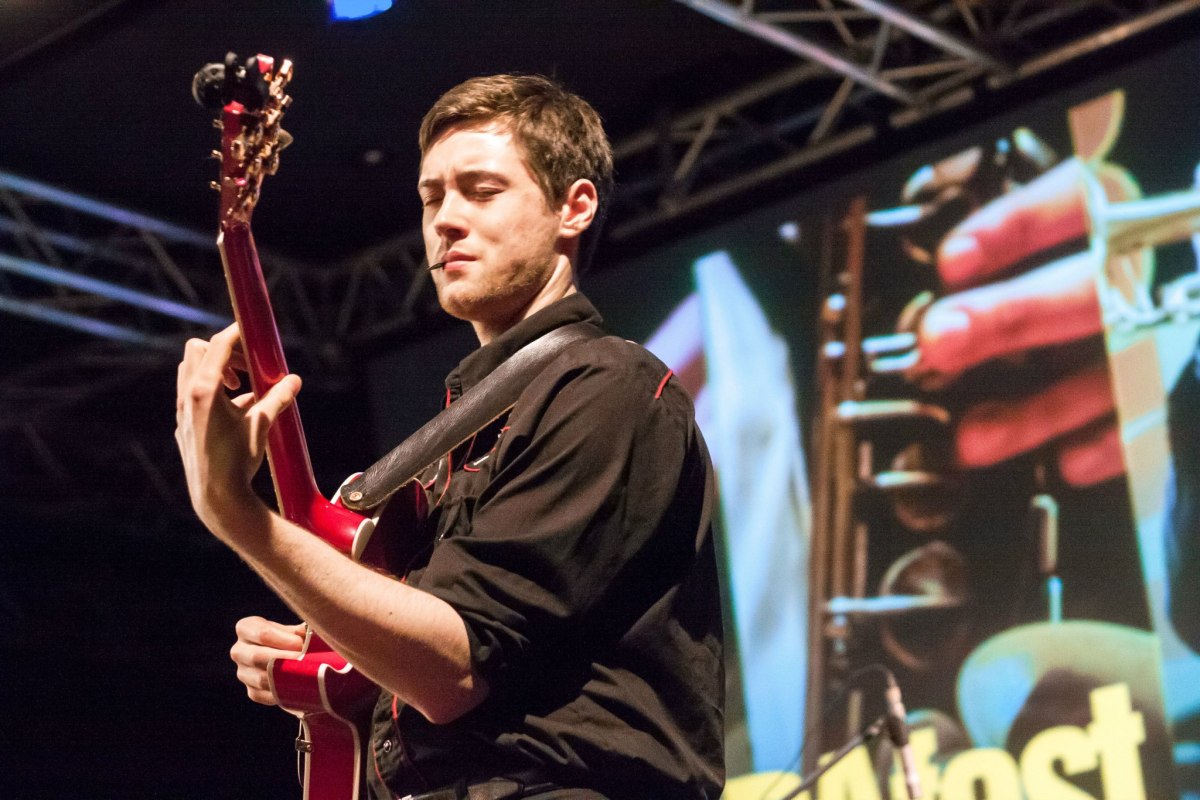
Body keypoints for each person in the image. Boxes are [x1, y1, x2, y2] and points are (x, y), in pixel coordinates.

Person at [174, 74, 725, 799]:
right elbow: (437, 661)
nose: (446, 221)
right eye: (432, 198)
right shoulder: (450, 441)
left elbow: (457, 669)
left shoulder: (607, 386)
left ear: (575, 207)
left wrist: (238, 515)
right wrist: (329, 659)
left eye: (482, 191)